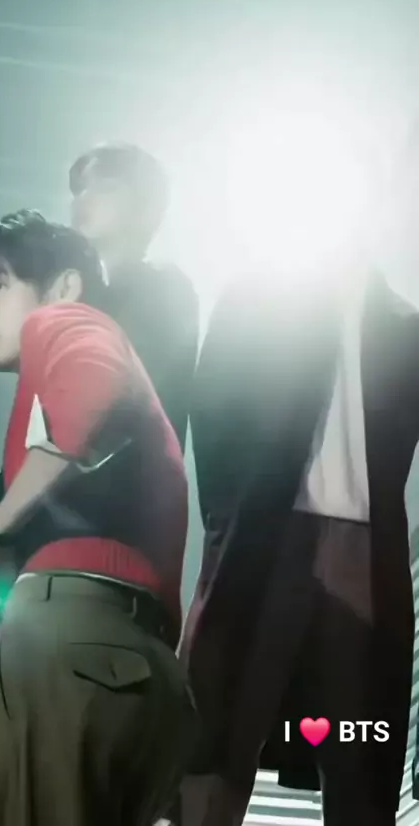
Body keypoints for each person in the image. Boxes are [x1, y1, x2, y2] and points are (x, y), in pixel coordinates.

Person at [0, 209, 195, 826]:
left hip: (73, 646)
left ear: (64, 286)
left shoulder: (65, 320)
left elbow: (90, 399)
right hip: (126, 656)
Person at [179, 253, 419, 826]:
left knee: (362, 745)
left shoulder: (405, 325)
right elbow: (211, 410)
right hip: (264, 535)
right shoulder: (258, 295)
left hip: (367, 549)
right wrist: (228, 521)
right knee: (221, 730)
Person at [69, 141, 199, 451]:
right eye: (80, 189)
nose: (83, 199)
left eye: (105, 187)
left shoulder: (164, 287)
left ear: (145, 207)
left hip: (122, 475)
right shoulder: (74, 292)